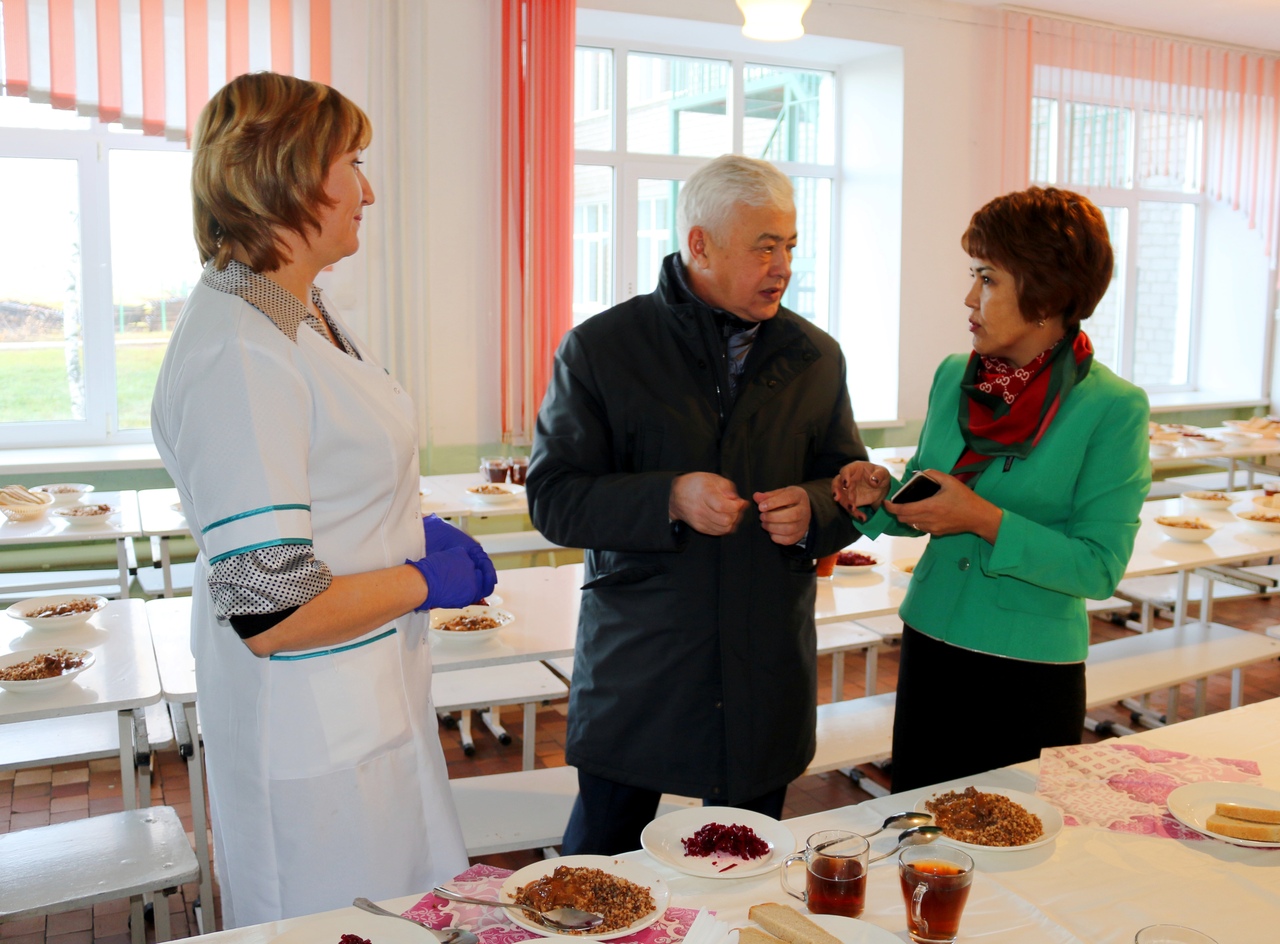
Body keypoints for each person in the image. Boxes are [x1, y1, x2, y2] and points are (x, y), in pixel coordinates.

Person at [151, 72, 496, 926]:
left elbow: (327, 466)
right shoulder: (240, 354)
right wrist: (424, 579)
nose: (368, 192)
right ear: (289, 173)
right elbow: (272, 612)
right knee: (334, 922)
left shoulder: (294, 311)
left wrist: (396, 525)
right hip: (309, 726)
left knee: (397, 910)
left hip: (364, 695)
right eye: (354, 164)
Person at [526, 154, 866, 855]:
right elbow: (554, 498)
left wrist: (815, 508)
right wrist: (670, 497)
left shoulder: (815, 357)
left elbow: (845, 486)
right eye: (763, 247)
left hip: (763, 666)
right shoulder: (603, 348)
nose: (782, 267)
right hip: (641, 666)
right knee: (599, 872)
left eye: (789, 245)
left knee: (744, 870)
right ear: (700, 244)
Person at [833, 186, 1150, 792]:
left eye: (988, 279)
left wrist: (983, 519)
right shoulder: (955, 374)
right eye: (973, 275)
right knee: (918, 824)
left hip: (1027, 666)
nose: (969, 297)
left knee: (1014, 836)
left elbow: (1098, 568)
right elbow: (928, 500)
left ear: (1046, 294)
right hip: (930, 641)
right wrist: (881, 493)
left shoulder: (1112, 407)